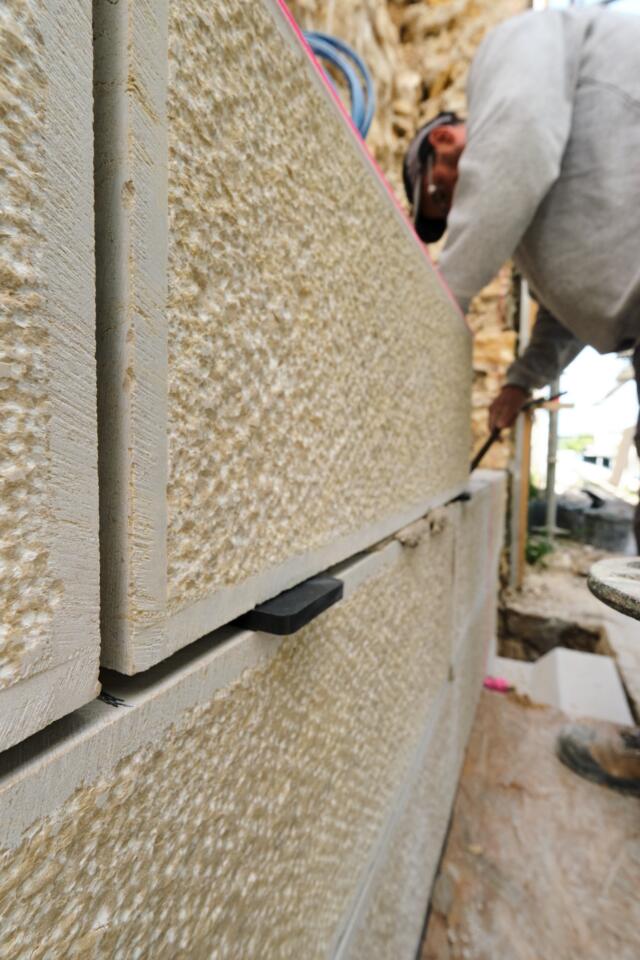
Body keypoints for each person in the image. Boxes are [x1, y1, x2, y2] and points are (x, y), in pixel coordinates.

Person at [403, 6, 640, 796]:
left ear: (441, 148)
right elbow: (570, 304)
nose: (456, 214)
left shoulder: (519, 44)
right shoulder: (579, 182)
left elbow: (520, 147)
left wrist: (446, 292)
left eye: (440, 207)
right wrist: (516, 383)